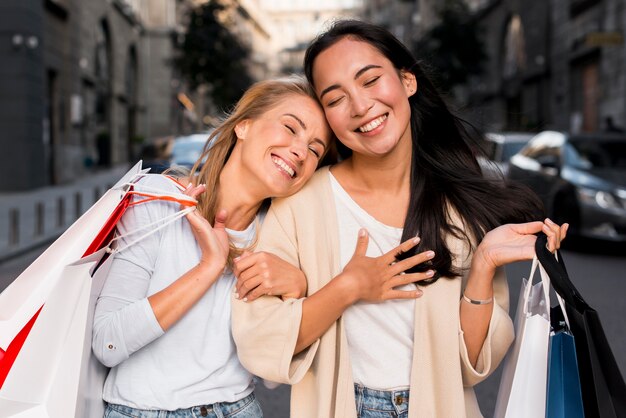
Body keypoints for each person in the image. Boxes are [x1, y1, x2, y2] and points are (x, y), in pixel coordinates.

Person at [231, 20, 568, 418]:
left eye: (370, 80)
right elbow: (261, 342)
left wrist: (484, 264)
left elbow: (471, 366)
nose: (360, 107)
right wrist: (347, 287)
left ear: (407, 80)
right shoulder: (301, 204)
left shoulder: (458, 204)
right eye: (336, 99)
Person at [92, 76, 333, 418]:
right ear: (244, 126)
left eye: (315, 149)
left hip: (236, 410)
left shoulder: (283, 237)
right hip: (138, 410)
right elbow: (107, 343)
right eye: (290, 128)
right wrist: (209, 267)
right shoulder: (160, 201)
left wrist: (298, 289)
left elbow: (272, 374)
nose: (300, 150)